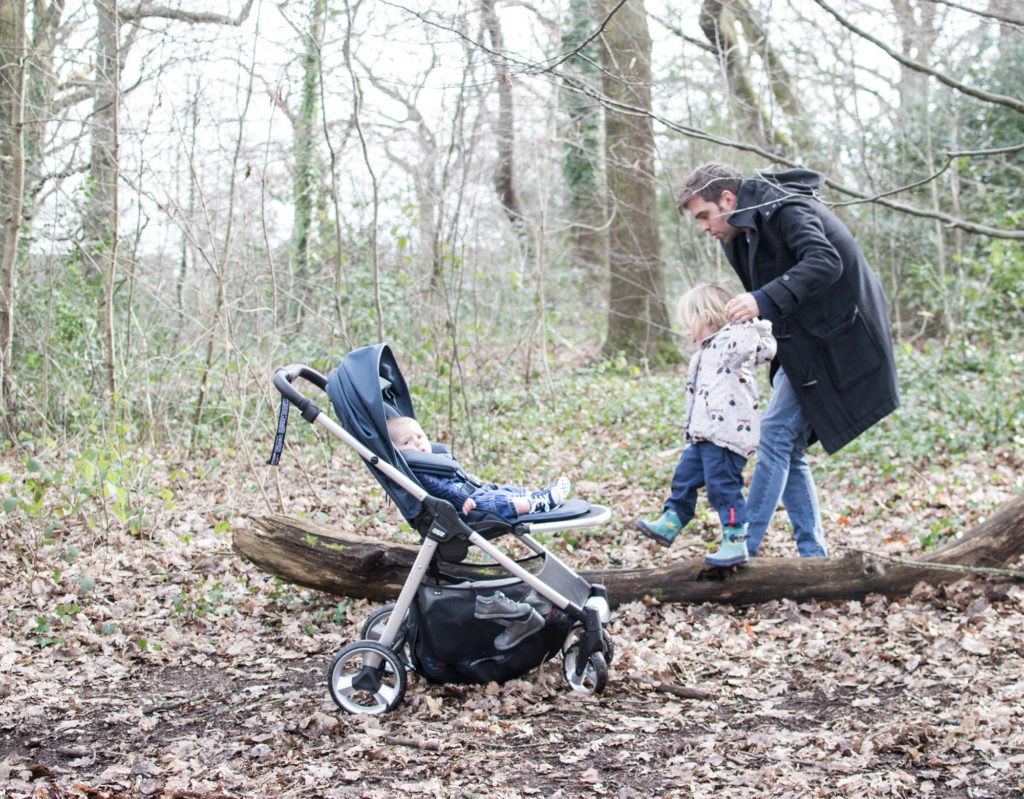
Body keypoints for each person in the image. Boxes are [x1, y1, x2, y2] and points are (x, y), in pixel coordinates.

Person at [676, 163, 900, 558]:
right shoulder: (736, 238)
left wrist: (761, 300)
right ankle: (813, 555)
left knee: (776, 435)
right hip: (800, 349)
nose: (704, 227)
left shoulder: (785, 207)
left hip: (840, 342)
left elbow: (826, 262)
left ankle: (743, 545)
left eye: (705, 216)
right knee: (788, 447)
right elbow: (775, 303)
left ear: (727, 200)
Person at [636, 284, 777, 566]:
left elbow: (753, 346)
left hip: (727, 435)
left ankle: (736, 540)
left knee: (722, 488)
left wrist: (744, 322)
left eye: (690, 325)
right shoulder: (705, 350)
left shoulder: (730, 344)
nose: (688, 332)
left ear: (707, 319)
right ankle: (673, 519)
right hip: (704, 435)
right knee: (684, 476)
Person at [386, 416, 570, 521]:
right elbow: (436, 489)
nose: (418, 443)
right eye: (407, 442)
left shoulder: (432, 459)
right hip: (462, 505)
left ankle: (537, 495)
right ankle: (537, 503)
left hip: (473, 492)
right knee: (497, 502)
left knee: (504, 491)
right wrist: (460, 499)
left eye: (420, 436)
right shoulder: (417, 468)